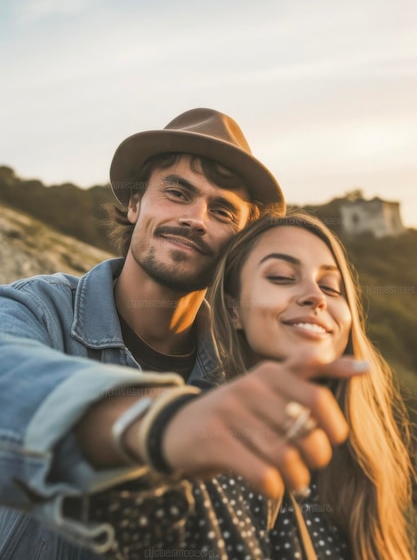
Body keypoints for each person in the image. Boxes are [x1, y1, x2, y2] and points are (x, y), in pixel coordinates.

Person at [0, 108, 370, 560]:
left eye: (222, 211)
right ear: (135, 204)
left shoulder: (245, 372)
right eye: (177, 192)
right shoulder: (40, 310)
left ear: (239, 243)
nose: (196, 218)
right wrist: (155, 426)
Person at [203, 212, 414, 560]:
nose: (316, 297)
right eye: (282, 277)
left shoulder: (366, 461)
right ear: (234, 308)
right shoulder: (212, 450)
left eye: (331, 286)